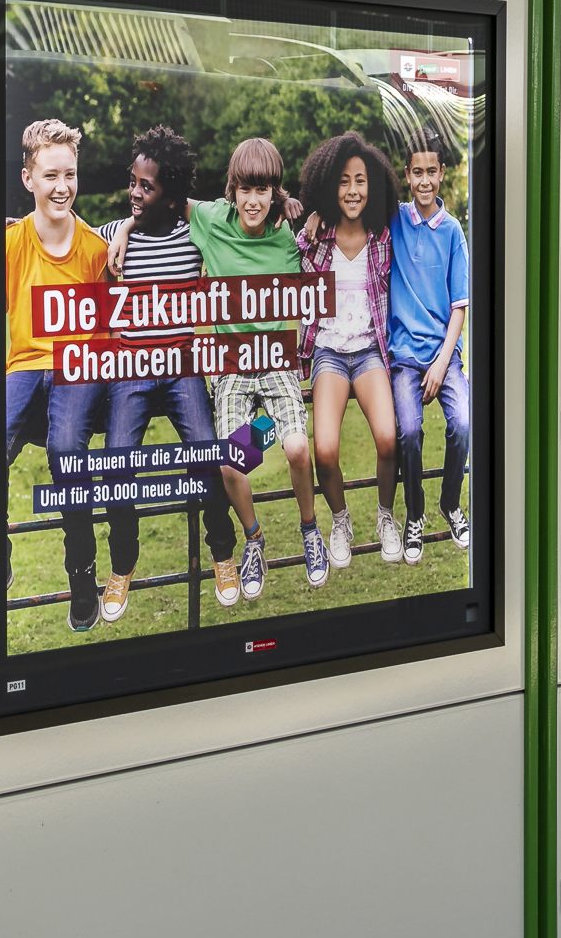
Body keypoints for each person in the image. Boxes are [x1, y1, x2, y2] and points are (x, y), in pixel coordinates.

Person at [102, 125, 240, 615]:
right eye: (133, 182)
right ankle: (122, 565)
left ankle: (222, 553)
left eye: (147, 186)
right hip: (133, 370)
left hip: (183, 368)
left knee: (208, 457)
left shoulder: (194, 237)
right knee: (115, 463)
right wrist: (122, 229)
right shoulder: (115, 236)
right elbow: (61, 229)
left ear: (172, 194)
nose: (135, 193)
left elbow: (243, 219)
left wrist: (287, 204)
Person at [186, 137, 321, 599]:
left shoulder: (287, 237)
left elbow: (324, 221)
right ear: (233, 189)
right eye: (245, 189)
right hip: (229, 364)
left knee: (299, 448)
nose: (253, 201)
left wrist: (302, 206)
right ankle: (254, 540)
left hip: (274, 359)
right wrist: (121, 230)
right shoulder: (211, 220)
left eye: (263, 191)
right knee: (231, 462)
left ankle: (309, 529)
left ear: (274, 192)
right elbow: (162, 201)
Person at [3, 118, 108, 631]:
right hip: (24, 363)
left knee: (68, 450)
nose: (61, 186)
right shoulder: (11, 242)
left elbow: (109, 328)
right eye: (50, 176)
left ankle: (82, 573)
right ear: (29, 179)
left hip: (75, 366)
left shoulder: (95, 249)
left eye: (69, 174)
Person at [296, 132, 403, 573]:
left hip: (369, 352)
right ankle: (340, 520)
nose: (353, 190)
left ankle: (385, 515)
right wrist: (305, 227)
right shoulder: (318, 240)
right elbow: (286, 252)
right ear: (329, 186)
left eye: (360, 180)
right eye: (343, 181)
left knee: (388, 437)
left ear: (372, 185)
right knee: (324, 450)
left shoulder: (383, 238)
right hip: (330, 354)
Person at [387, 142, 473, 562]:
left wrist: (442, 362)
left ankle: (451, 502)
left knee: (463, 422)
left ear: (441, 175)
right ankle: (415, 513)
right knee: (407, 431)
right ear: (407, 175)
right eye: (416, 172)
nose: (424, 180)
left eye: (431, 172)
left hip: (445, 355)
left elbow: (460, 306)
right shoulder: (395, 221)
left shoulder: (453, 231)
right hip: (404, 356)